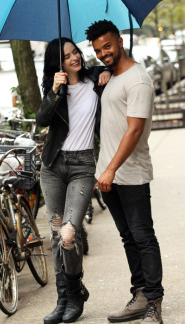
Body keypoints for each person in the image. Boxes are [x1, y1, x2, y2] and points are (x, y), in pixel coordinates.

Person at [85, 20, 164, 324]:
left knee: (143, 237)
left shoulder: (138, 79)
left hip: (130, 173)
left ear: (119, 41)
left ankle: (154, 302)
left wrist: (110, 168)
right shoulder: (113, 77)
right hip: (109, 174)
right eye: (98, 50)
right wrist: (104, 171)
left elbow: (133, 131)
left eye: (107, 46)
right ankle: (140, 295)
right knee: (129, 238)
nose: (103, 53)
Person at [36, 37, 111, 324]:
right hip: (53, 166)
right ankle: (63, 299)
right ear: (58, 63)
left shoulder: (95, 79)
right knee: (57, 235)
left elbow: (116, 71)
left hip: (83, 166)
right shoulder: (55, 88)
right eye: (67, 56)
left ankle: (76, 290)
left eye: (75, 52)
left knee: (69, 233)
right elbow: (41, 120)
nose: (74, 58)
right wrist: (55, 91)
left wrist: (107, 73)